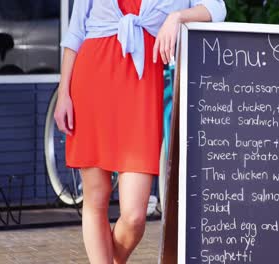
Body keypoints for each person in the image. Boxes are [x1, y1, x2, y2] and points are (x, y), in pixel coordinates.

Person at [54, 0, 226, 263]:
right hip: (91, 81)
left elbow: (216, 9)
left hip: (142, 89)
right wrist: (64, 93)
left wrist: (177, 17)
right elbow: (75, 33)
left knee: (134, 216)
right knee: (95, 198)